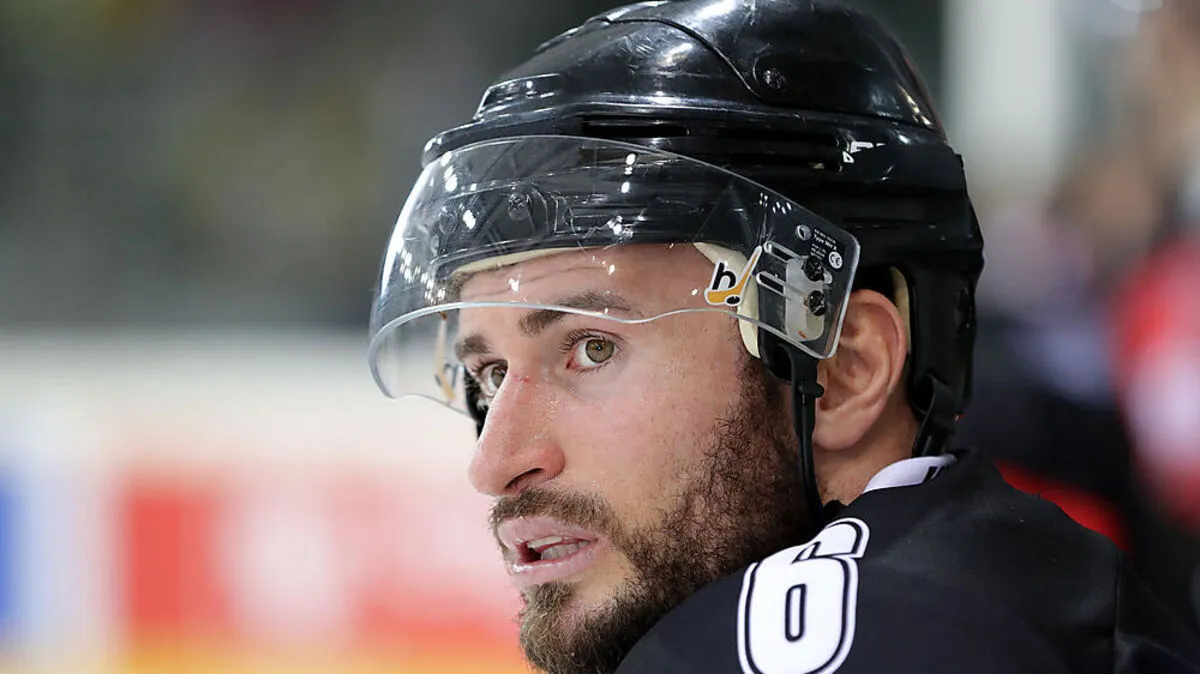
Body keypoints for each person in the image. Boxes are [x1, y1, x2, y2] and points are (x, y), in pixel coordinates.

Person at [365, 1, 1200, 672]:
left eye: (592, 348)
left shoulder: (817, 636)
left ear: (843, 367)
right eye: (490, 375)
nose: (495, 462)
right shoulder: (1028, 591)